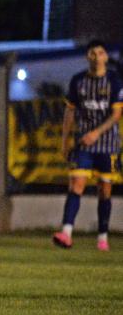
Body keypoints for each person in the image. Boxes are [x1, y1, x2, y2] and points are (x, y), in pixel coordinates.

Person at [53, 40, 122, 251]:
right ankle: (66, 232)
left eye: (100, 52)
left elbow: (117, 114)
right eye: (92, 53)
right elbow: (70, 112)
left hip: (107, 144)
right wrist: (65, 141)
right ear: (87, 57)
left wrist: (96, 133)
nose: (96, 56)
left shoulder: (114, 80)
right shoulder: (78, 81)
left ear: (105, 57)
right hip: (83, 143)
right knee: (76, 184)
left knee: (105, 190)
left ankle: (102, 236)